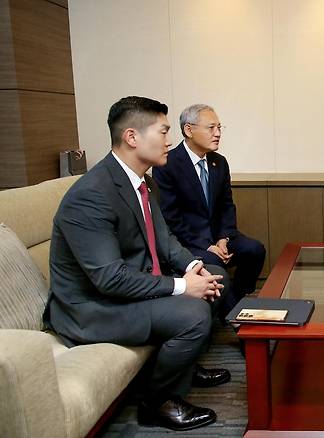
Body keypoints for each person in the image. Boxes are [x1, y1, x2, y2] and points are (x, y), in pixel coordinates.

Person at [43, 96, 233, 431]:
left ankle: (182, 366)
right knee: (192, 313)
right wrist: (182, 286)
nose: (170, 141)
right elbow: (110, 279)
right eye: (163, 131)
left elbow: (166, 241)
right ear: (132, 137)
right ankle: (156, 403)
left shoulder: (142, 181)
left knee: (215, 275)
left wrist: (193, 269)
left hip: (126, 288)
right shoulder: (92, 195)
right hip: (92, 309)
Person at [153, 104, 266, 315]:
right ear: (189, 130)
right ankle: (233, 316)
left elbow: (226, 205)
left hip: (218, 236)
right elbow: (171, 218)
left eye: (220, 128)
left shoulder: (219, 162)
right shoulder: (168, 164)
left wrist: (223, 238)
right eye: (211, 128)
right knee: (214, 262)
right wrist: (207, 245)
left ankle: (236, 301)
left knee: (254, 250)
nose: (218, 134)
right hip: (188, 241)